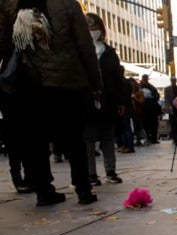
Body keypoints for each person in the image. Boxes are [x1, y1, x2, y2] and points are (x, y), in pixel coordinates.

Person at [0, 0, 101, 205]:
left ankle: (44, 191)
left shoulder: (10, 4)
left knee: (36, 140)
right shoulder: (68, 4)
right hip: (67, 81)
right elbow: (84, 45)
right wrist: (95, 82)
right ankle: (83, 189)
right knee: (74, 137)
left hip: (30, 83)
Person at [84, 13, 123, 186]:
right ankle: (91, 174)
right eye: (89, 27)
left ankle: (110, 171)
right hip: (87, 100)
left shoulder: (109, 53)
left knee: (108, 137)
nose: (92, 30)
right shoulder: (81, 52)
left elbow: (117, 79)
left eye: (95, 27)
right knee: (88, 138)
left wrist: (121, 101)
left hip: (108, 100)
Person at [117, 66, 135, 153]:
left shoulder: (121, 82)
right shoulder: (126, 82)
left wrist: (122, 104)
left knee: (126, 127)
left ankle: (129, 146)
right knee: (125, 127)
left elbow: (123, 95)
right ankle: (126, 145)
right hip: (127, 105)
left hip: (124, 106)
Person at [140, 74, 160, 144]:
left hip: (151, 108)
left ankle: (153, 138)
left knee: (153, 124)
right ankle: (148, 137)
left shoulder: (151, 87)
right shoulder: (139, 87)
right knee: (146, 124)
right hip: (144, 108)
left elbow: (157, 96)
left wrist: (151, 98)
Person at [163, 76, 177, 145]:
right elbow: (167, 99)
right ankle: (175, 138)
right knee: (173, 123)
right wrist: (169, 106)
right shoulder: (167, 89)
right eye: (172, 80)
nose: (173, 82)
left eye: (174, 80)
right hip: (172, 108)